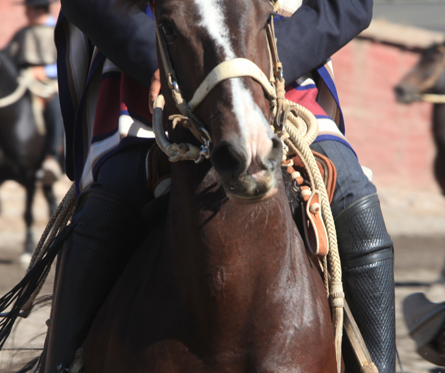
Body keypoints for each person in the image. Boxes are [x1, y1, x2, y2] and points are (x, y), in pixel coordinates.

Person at [44, 1, 396, 372]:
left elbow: (350, 5)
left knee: (354, 199)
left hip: (276, 69)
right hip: (155, 72)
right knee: (105, 205)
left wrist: (252, 66)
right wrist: (167, 56)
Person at [6, 0, 64, 182]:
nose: (26, 14)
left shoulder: (58, 30)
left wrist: (44, 71)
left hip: (50, 84)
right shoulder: (22, 33)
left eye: (28, 9)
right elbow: (9, 57)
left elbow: (66, 61)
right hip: (24, 80)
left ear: (39, 9)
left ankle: (54, 156)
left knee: (56, 106)